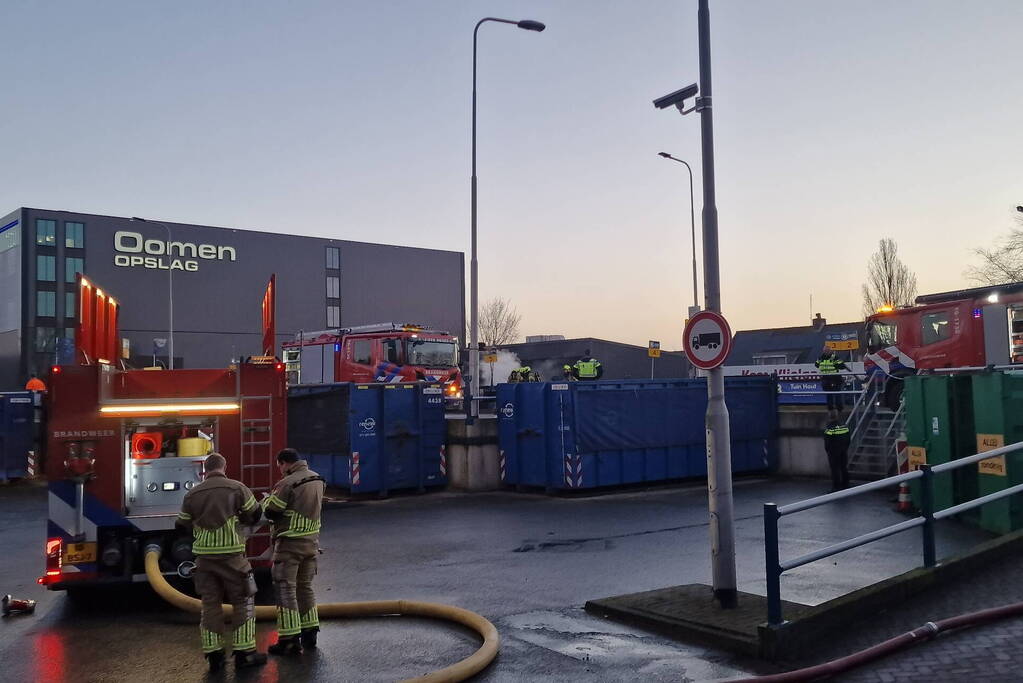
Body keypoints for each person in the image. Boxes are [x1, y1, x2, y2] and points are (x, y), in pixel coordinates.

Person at [176, 452, 266, 671]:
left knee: (210, 604)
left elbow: (181, 525)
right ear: (224, 467)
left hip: (205, 559)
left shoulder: (192, 494)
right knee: (242, 601)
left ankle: (214, 654)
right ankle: (245, 653)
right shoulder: (237, 488)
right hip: (233, 556)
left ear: (205, 470)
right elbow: (254, 514)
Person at [263, 448, 326, 655]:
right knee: (305, 588)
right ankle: (310, 633)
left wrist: (266, 501)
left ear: (284, 463)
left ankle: (289, 639)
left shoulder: (287, 483)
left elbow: (272, 511)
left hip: (290, 545)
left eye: (279, 466)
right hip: (311, 543)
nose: (280, 471)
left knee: (285, 589)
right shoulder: (318, 479)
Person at [815, 348, 847, 412]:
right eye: (826, 350)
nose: (826, 352)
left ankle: (833, 408)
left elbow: (817, 365)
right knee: (834, 394)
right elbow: (842, 366)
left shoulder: (821, 358)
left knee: (831, 394)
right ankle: (836, 408)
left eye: (826, 350)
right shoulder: (833, 357)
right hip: (832, 378)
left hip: (829, 378)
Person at [823, 419, 851, 491]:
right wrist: (845, 448)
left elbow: (827, 441)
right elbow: (848, 438)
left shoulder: (830, 427)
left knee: (835, 469)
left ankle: (836, 487)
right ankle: (846, 484)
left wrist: (828, 451)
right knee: (843, 467)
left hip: (833, 452)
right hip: (843, 450)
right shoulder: (844, 426)